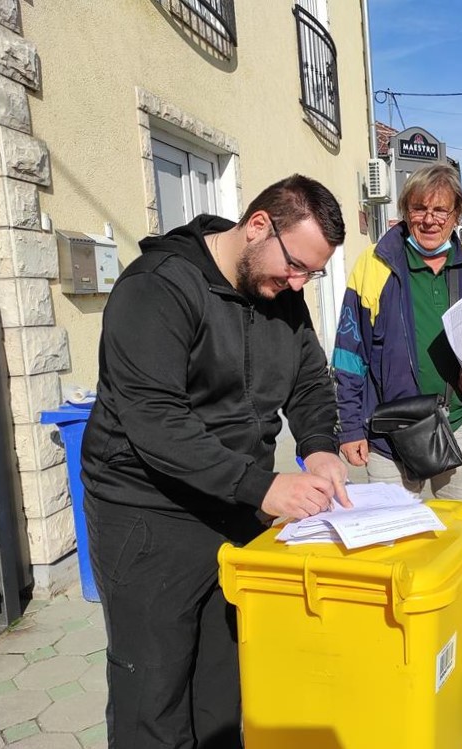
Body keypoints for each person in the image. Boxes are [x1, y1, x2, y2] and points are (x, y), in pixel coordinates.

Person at [81, 175, 351, 748]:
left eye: (312, 273)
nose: (299, 282)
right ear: (258, 226)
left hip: (234, 510)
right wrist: (263, 486)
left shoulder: (281, 296)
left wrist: (320, 447)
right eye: (296, 265)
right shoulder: (156, 288)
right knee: (154, 695)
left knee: (224, 686)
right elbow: (156, 421)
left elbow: (309, 382)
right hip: (149, 515)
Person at [332, 163, 462, 674]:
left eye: (441, 209)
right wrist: (350, 427)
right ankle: (397, 633)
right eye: (420, 208)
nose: (430, 218)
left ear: (457, 214)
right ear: (405, 212)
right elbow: (348, 353)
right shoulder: (373, 267)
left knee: (459, 539)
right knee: (392, 540)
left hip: (457, 426)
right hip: (389, 436)